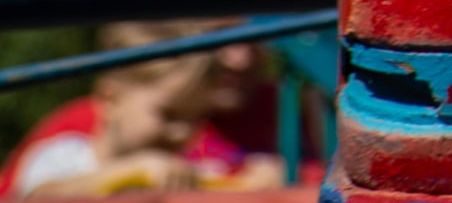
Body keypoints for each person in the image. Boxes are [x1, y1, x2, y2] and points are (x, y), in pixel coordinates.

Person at [0, 22, 283, 198]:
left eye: (194, 118)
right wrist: (126, 174)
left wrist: (256, 179)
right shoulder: (65, 156)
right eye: (167, 115)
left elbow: (219, 179)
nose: (182, 132)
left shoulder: (178, 166)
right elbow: (37, 195)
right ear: (110, 99)